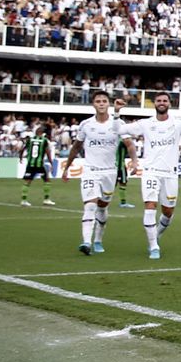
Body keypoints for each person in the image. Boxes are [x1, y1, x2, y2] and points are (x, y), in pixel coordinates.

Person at [121, 93, 181, 260]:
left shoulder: (178, 123)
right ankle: (154, 246)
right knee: (150, 206)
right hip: (150, 172)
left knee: (168, 212)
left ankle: (156, 236)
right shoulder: (146, 124)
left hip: (170, 174)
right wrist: (117, 113)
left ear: (169, 103)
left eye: (164, 100)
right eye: (159, 100)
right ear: (154, 103)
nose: (161, 103)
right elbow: (120, 129)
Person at [60, 90, 140, 255]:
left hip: (110, 173)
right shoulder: (86, 125)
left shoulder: (118, 124)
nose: (101, 103)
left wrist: (134, 160)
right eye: (98, 101)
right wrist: (67, 167)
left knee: (102, 208)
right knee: (90, 205)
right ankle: (86, 242)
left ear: (108, 104)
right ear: (93, 104)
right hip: (90, 171)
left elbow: (130, 144)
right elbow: (76, 147)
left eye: (104, 101)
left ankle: (98, 239)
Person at [19, 124, 56, 206]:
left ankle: (23, 200)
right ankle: (46, 199)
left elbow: (22, 149)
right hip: (39, 165)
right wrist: (51, 163)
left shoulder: (30, 140)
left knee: (27, 181)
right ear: (42, 133)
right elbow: (48, 152)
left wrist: (20, 157)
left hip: (30, 164)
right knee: (47, 180)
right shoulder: (44, 140)